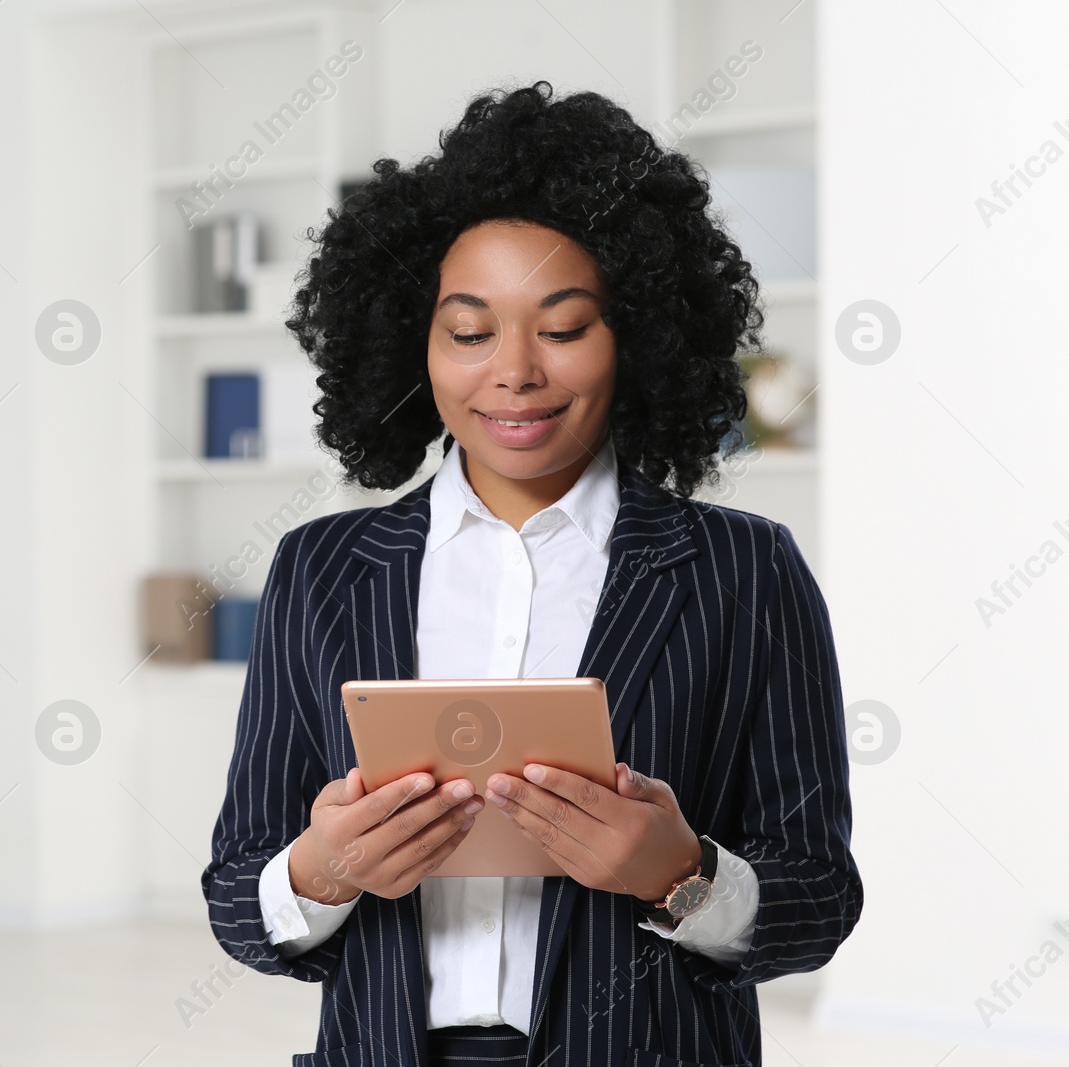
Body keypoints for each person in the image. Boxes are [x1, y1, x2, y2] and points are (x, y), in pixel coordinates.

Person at [200, 80, 862, 1067]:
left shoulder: (744, 569)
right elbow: (235, 899)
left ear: (633, 335)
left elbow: (818, 899)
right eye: (468, 331)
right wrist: (322, 866)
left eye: (561, 327)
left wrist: (679, 873)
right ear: (413, 346)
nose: (513, 369)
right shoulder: (323, 569)